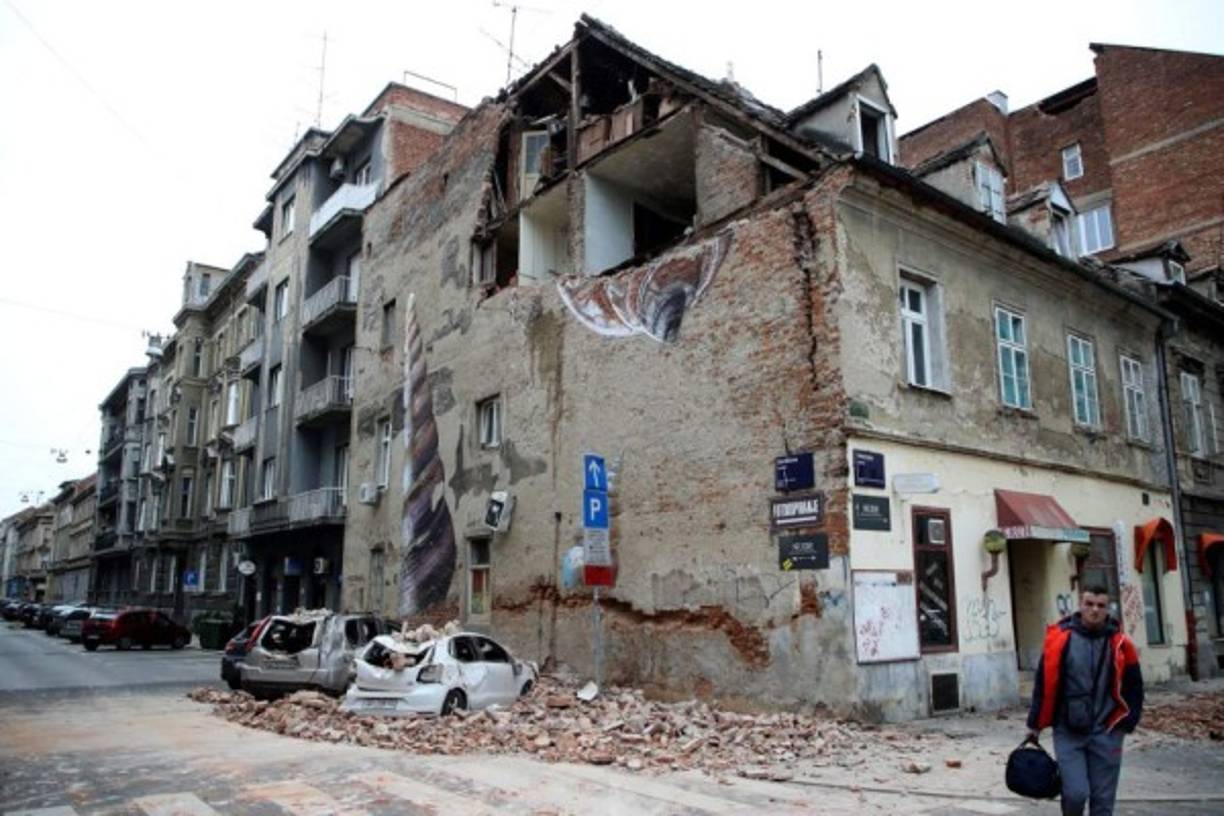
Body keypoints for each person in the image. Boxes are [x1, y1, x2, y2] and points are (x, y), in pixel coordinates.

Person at [1026, 585, 1144, 815]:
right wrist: (1035, 724)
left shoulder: (1121, 644)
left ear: (1107, 609)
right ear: (1080, 605)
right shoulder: (1060, 639)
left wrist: (1126, 724)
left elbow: (1134, 686)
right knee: (1075, 794)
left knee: (1103, 802)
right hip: (1068, 730)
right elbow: (1043, 683)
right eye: (1089, 604)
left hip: (1107, 731)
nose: (1094, 610)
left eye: (1101, 605)